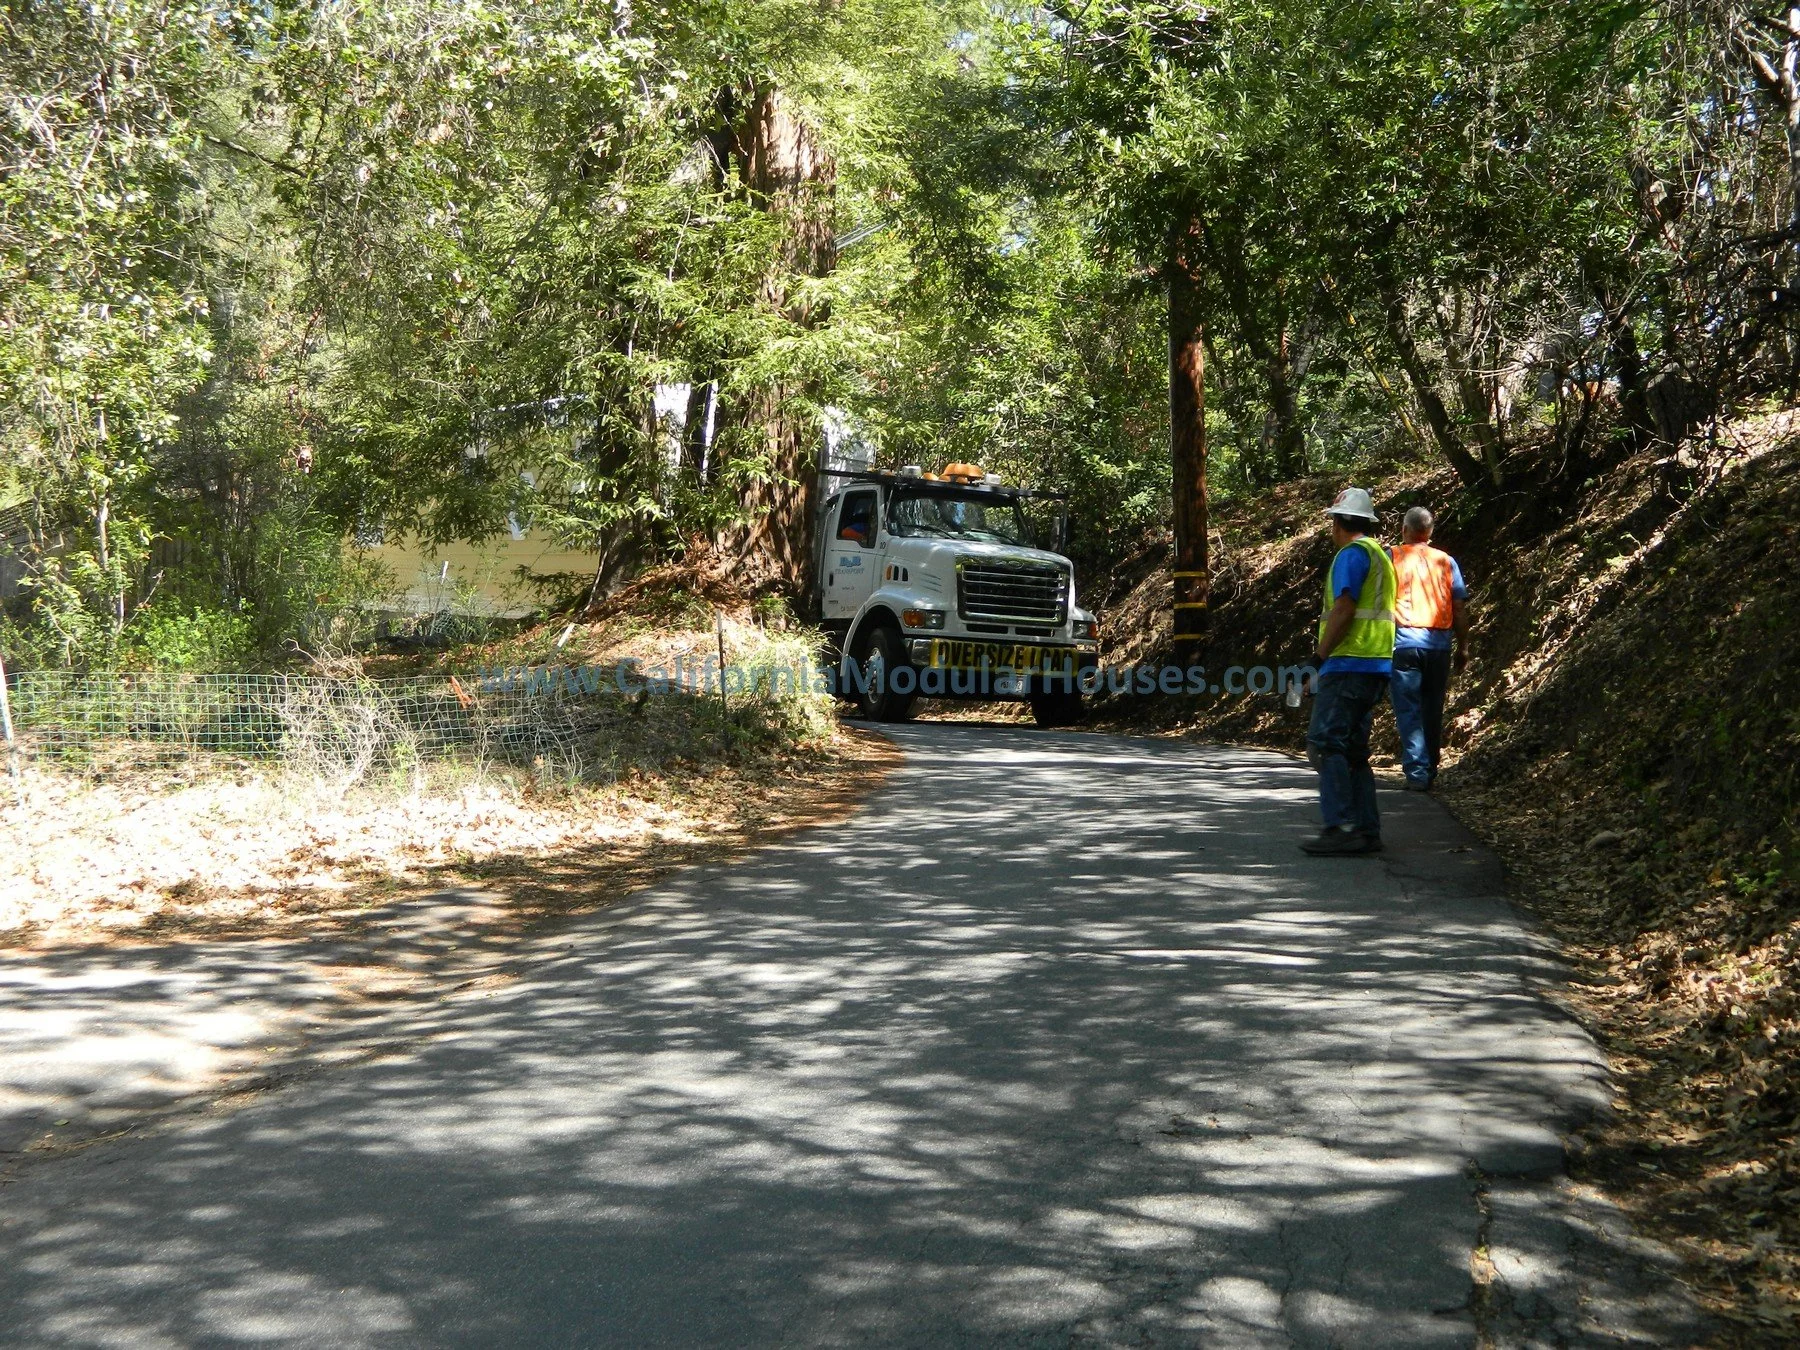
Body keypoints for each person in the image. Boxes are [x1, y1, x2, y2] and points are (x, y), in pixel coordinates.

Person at [1301, 486, 1396, 856]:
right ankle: (1366, 830)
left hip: (1349, 663)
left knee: (1326, 743)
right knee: (1353, 749)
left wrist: (1319, 657)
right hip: (1376, 664)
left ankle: (1340, 825)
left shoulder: (1350, 555)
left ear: (1338, 521)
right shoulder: (1380, 556)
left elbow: (1343, 608)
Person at [1389, 506, 1469, 791]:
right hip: (1439, 646)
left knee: (1408, 709)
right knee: (1432, 708)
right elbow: (1458, 607)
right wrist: (1464, 646)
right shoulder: (1446, 561)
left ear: (1404, 530)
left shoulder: (1393, 557)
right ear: (1430, 533)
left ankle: (1417, 772)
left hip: (1405, 644)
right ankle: (1430, 768)